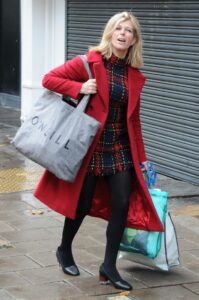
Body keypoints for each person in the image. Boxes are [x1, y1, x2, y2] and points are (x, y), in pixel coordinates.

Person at [34, 11, 163, 291]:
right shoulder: (90, 63)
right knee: (81, 203)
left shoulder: (134, 75)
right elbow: (48, 79)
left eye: (129, 30)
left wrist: (142, 159)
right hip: (90, 146)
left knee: (121, 205)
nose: (123, 33)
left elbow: (134, 120)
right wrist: (80, 86)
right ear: (110, 32)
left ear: (133, 39)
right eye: (119, 28)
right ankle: (64, 249)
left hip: (120, 148)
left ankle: (108, 267)